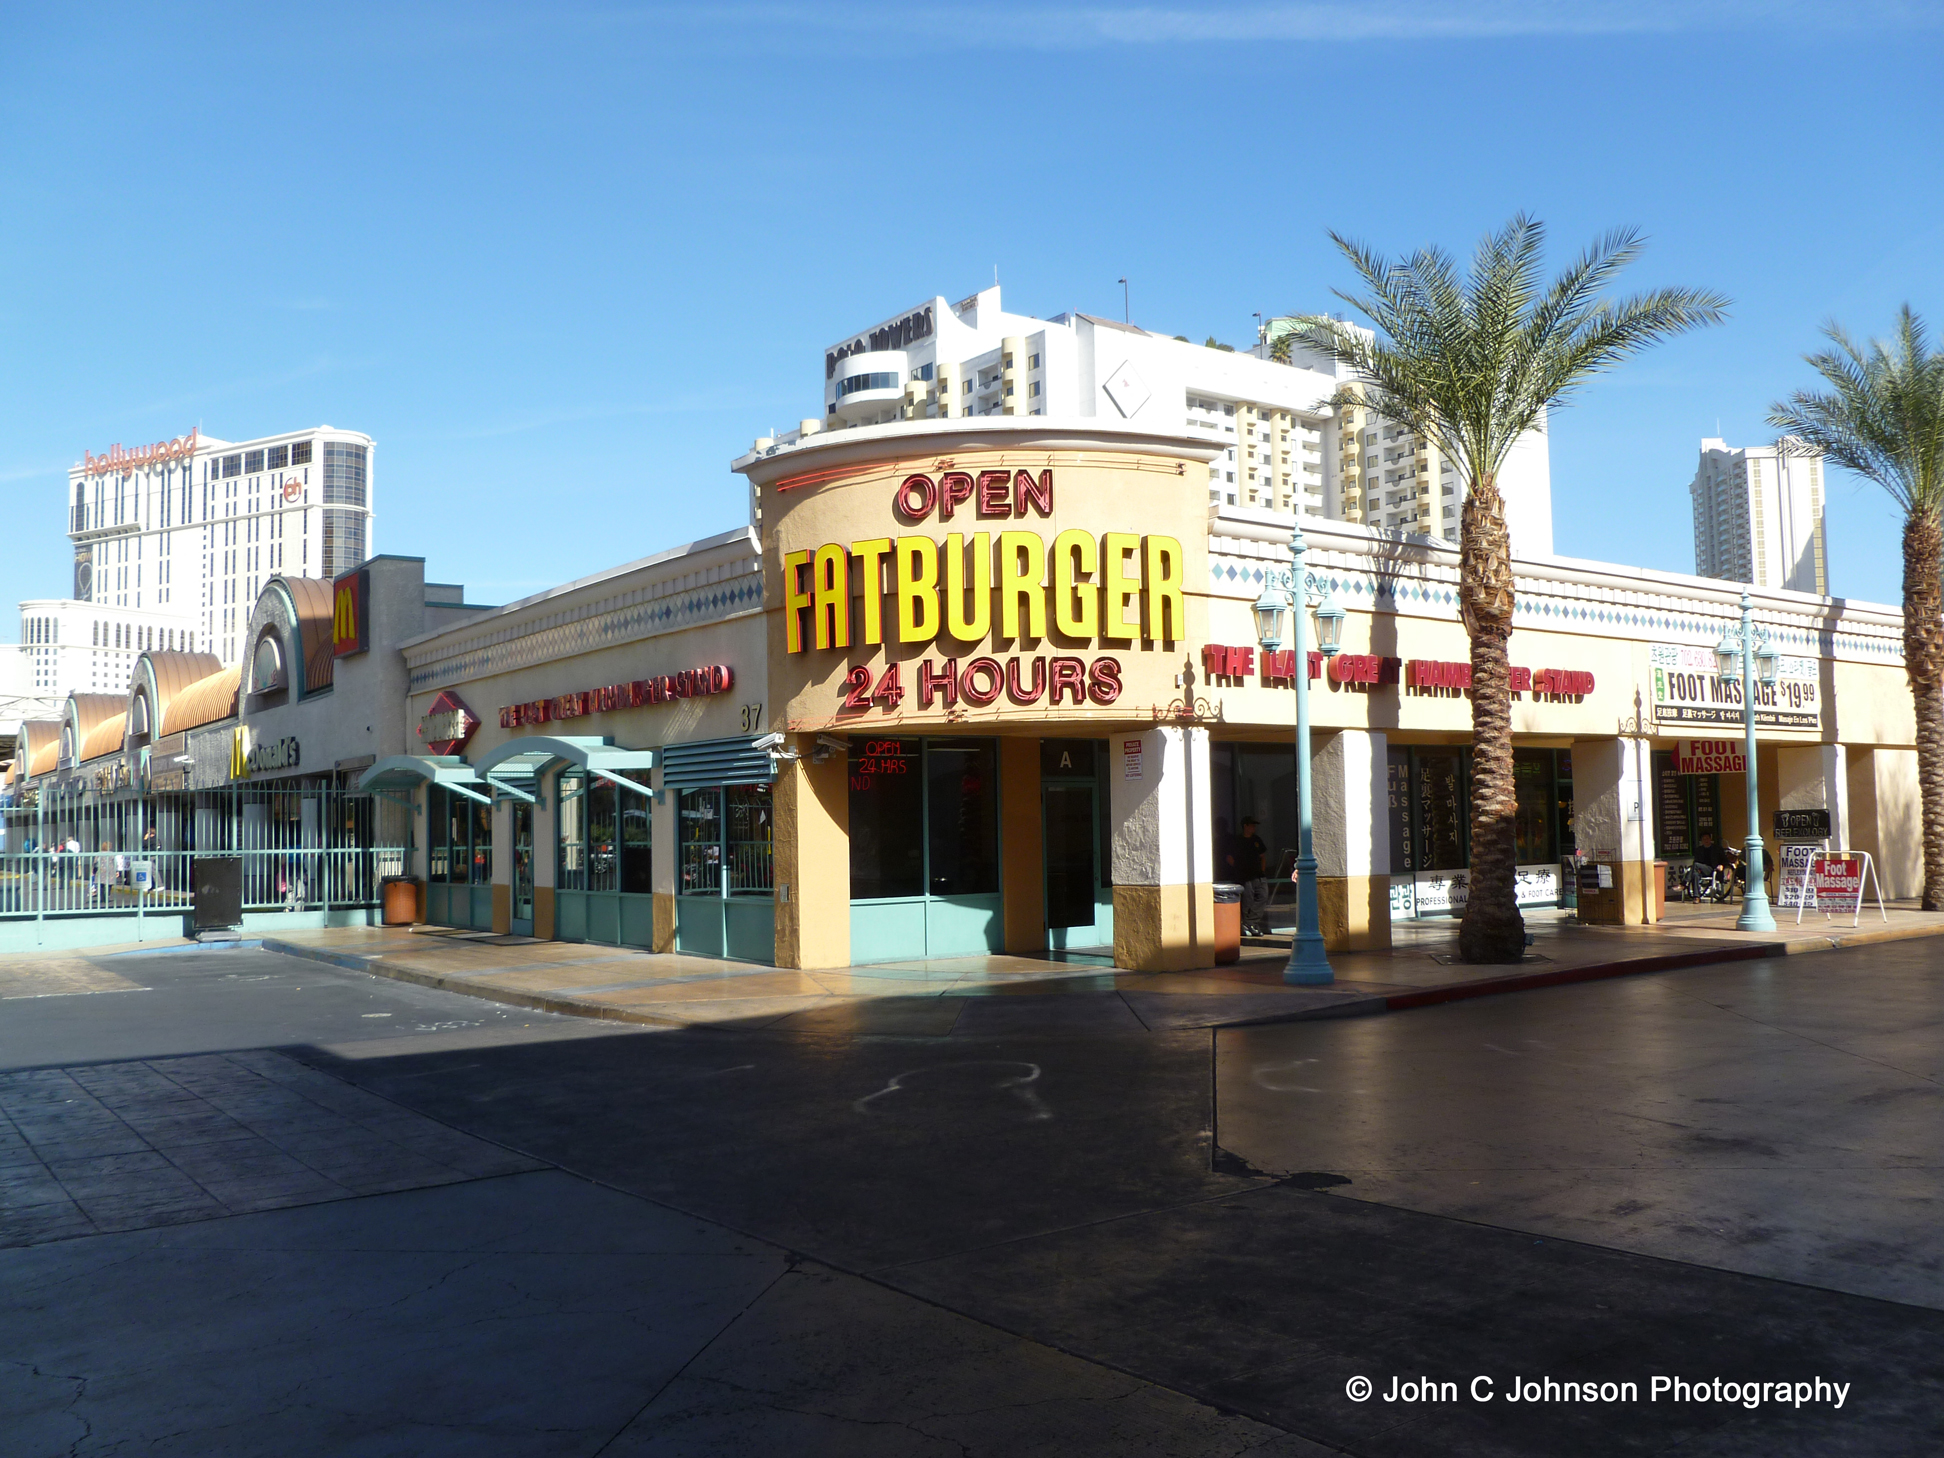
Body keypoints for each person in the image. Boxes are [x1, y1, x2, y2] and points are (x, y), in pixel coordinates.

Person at [1228, 816, 1271, 935]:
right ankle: (1248, 925)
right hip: (1245, 876)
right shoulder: (1237, 840)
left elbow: (1262, 856)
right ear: (1245, 826)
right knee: (1247, 900)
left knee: (1263, 896)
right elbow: (1229, 858)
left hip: (1258, 875)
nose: (1254, 828)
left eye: (1254, 826)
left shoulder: (1256, 840)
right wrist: (1238, 870)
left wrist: (1262, 870)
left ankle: (1249, 922)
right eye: (1251, 825)